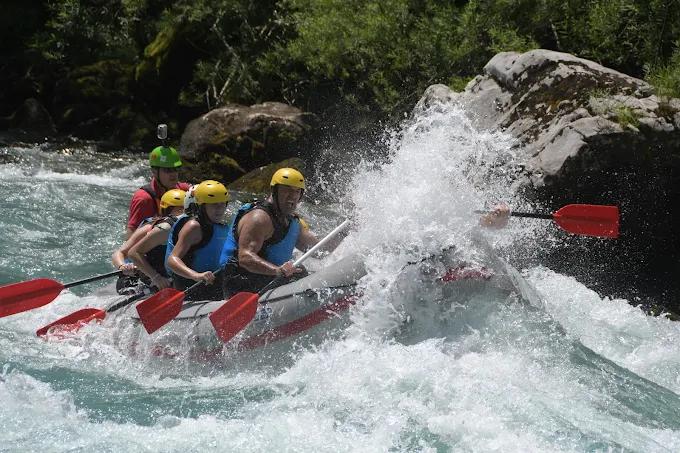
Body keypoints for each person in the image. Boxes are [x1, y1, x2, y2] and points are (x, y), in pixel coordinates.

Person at [221, 167, 347, 298]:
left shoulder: (292, 222)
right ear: (274, 191)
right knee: (294, 274)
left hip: (270, 280)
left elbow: (320, 251)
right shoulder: (259, 218)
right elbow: (245, 258)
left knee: (300, 271)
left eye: (297, 191)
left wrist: (345, 232)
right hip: (242, 283)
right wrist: (277, 270)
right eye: (287, 190)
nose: (292, 196)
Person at [165, 180, 230, 301]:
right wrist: (196, 275)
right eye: (213, 204)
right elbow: (172, 260)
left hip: (214, 285)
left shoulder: (224, 226)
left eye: (222, 204)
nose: (219, 209)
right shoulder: (193, 227)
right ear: (202, 206)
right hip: (192, 287)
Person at [112, 189, 186, 294]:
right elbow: (119, 253)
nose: (182, 213)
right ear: (167, 210)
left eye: (185, 209)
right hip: (135, 279)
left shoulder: (185, 227)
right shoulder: (151, 228)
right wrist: (123, 266)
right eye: (179, 209)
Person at [126, 145, 190, 238]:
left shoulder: (184, 190)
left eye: (176, 169)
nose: (173, 174)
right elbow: (130, 236)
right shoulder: (144, 199)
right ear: (154, 171)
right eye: (167, 170)